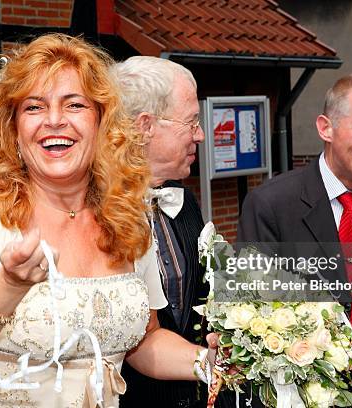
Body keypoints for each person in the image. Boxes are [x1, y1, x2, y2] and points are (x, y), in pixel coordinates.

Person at [0, 34, 211, 407]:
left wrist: (211, 362)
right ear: (14, 129)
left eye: (74, 104)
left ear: (102, 121)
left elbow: (144, 342)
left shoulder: (126, 218)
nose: (54, 121)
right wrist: (10, 284)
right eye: (34, 107)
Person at [238, 72, 352, 405]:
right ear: (326, 128)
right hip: (298, 389)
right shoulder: (269, 205)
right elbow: (257, 311)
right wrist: (338, 345)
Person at [113, 56, 214, 408]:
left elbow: (201, 299)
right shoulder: (94, 213)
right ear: (145, 126)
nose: (200, 134)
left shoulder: (185, 202)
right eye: (192, 122)